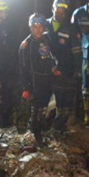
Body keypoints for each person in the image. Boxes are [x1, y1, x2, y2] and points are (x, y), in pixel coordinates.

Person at [19, 13, 59, 145]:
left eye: (40, 26)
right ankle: (35, 134)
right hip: (35, 81)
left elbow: (53, 57)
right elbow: (23, 67)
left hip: (48, 79)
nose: (37, 29)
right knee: (37, 108)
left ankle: (41, 130)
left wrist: (55, 69)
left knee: (45, 108)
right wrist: (26, 87)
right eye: (34, 26)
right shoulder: (26, 45)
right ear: (30, 27)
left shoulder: (47, 40)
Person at [45, 0, 82, 133]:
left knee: (63, 103)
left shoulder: (70, 29)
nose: (61, 14)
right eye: (58, 10)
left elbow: (77, 51)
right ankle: (40, 128)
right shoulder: (43, 25)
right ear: (53, 9)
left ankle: (59, 128)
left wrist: (78, 69)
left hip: (64, 70)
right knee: (43, 102)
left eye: (63, 12)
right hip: (45, 71)